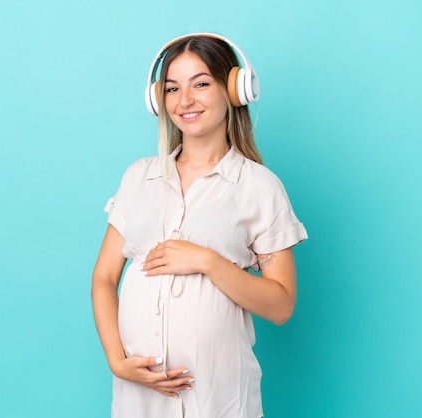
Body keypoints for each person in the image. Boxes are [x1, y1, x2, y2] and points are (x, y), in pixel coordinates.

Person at [91, 33, 308, 418]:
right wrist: (116, 360)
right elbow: (105, 278)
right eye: (173, 88)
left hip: (219, 395)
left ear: (234, 90)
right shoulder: (139, 178)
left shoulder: (259, 187)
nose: (185, 101)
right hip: (140, 395)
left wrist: (208, 261)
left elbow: (281, 305)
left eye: (201, 84)